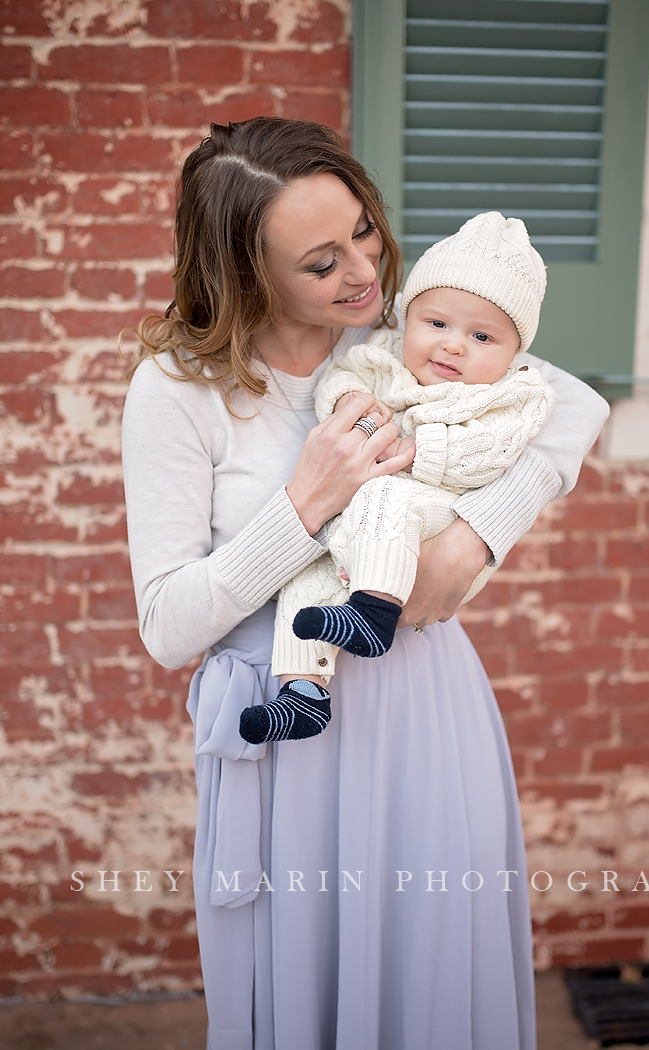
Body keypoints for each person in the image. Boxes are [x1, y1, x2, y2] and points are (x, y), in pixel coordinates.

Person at [121, 117, 609, 1050]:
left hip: (425, 711)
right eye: (320, 260)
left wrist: (478, 535)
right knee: (300, 995)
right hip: (290, 730)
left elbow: (572, 404)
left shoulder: (398, 335)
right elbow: (168, 626)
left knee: (430, 986)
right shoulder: (178, 391)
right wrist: (303, 503)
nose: (362, 271)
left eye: (364, 230)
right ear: (244, 271)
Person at [240, 212, 557, 744]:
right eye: (436, 324)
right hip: (359, 535)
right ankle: (303, 693)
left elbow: (493, 452)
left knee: (389, 494)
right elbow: (345, 376)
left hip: (434, 518)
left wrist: (420, 449)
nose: (453, 345)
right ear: (408, 319)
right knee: (302, 578)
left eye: (481, 335)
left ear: (513, 352)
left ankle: (373, 613)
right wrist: (348, 402)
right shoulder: (385, 357)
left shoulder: (512, 394)